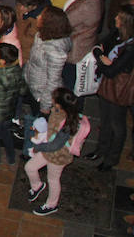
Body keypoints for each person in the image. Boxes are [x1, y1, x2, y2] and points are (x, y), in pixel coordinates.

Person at [87, 6, 134, 171]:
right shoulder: (116, 34)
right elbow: (98, 47)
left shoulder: (132, 47)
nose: (115, 19)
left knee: (116, 125)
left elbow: (112, 71)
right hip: (106, 85)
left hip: (119, 90)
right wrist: (101, 58)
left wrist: (102, 60)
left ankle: (112, 159)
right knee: (104, 120)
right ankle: (101, 149)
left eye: (119, 18)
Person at [25, 87, 86, 216]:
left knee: (53, 180)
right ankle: (37, 186)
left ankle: (52, 205)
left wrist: (38, 147)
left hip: (59, 157)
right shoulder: (59, 111)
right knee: (30, 167)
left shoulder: (67, 124)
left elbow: (55, 145)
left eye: (53, 98)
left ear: (59, 103)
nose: (51, 99)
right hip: (49, 150)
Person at [24, 6, 72, 116]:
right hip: (34, 86)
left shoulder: (55, 51)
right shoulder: (41, 35)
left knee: (39, 124)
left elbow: (53, 82)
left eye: (41, 16)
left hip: (41, 94)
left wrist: (45, 105)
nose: (38, 17)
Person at [62, 0, 104, 91]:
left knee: (70, 85)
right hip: (79, 45)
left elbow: (65, 23)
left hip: (76, 50)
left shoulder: (88, 7)